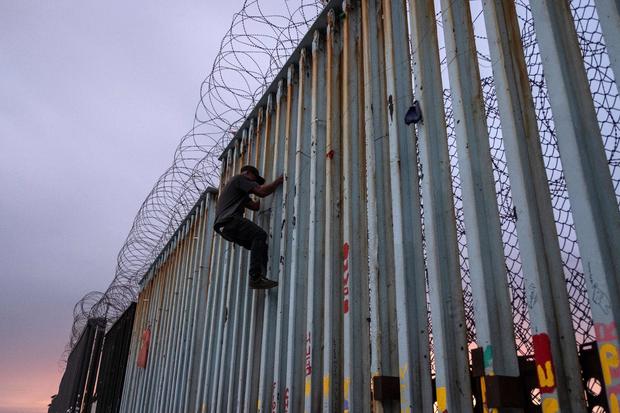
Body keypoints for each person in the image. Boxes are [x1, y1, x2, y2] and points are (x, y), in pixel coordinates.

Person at [214, 165, 284, 289]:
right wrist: (278, 181)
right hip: (231, 221)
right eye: (254, 179)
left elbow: (255, 206)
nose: (254, 183)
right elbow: (262, 192)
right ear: (247, 173)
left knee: (258, 245)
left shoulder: (237, 192)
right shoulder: (239, 179)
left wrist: (266, 199)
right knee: (260, 235)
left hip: (224, 229)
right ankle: (255, 278)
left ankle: (263, 273)